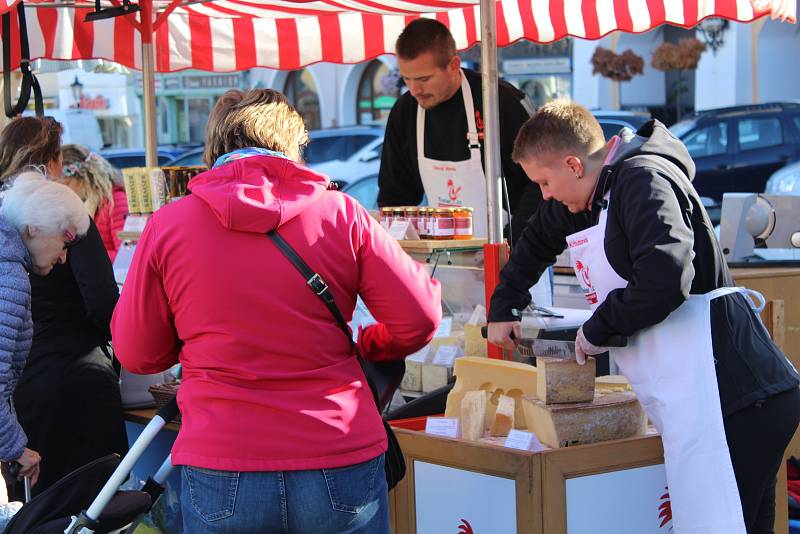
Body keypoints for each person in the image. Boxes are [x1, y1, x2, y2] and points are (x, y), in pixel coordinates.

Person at [111, 88, 441, 533]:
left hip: (223, 455)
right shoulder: (342, 214)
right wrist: (371, 343)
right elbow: (419, 317)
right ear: (292, 144)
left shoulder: (169, 225)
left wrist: (195, 339)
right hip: (336, 446)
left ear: (217, 146)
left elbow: (137, 353)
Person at [486, 100, 800, 534]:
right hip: (707, 398)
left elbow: (667, 277)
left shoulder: (643, 180)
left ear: (574, 164)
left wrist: (598, 329)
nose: (544, 194)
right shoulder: (589, 194)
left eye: (544, 181)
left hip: (741, 398)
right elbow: (538, 237)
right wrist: (504, 305)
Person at [0, 117, 128, 495]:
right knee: (88, 506)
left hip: (23, 394)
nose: (60, 256)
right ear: (50, 161)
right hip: (76, 386)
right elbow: (102, 303)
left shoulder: (7, 217)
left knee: (38, 508)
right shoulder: (62, 217)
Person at [378, 18, 542, 242]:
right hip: (443, 260)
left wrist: (511, 248)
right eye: (407, 79)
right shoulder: (404, 113)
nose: (415, 89)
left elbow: (540, 187)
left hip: (515, 252)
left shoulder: (499, 102)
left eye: (424, 79)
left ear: (454, 65)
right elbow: (394, 195)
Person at [0, 171, 90, 521]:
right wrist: (15, 445)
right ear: (34, 228)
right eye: (65, 241)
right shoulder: (10, 276)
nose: (64, 257)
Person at [58, 145, 129, 261]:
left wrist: (84, 253)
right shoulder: (84, 204)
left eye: (67, 184)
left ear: (82, 177)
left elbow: (124, 256)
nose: (65, 192)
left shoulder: (114, 200)